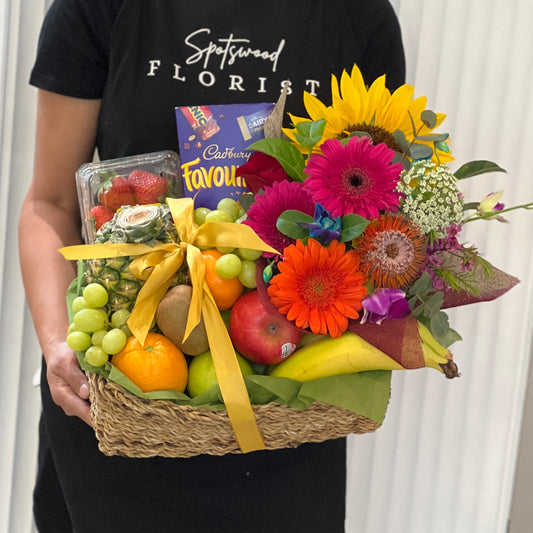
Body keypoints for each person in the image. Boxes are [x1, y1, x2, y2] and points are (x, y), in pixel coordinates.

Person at [19, 1, 405, 531]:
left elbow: (371, 205)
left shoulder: (358, 15)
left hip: (284, 408)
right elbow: (51, 206)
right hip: (124, 398)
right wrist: (60, 345)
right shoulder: (98, 7)